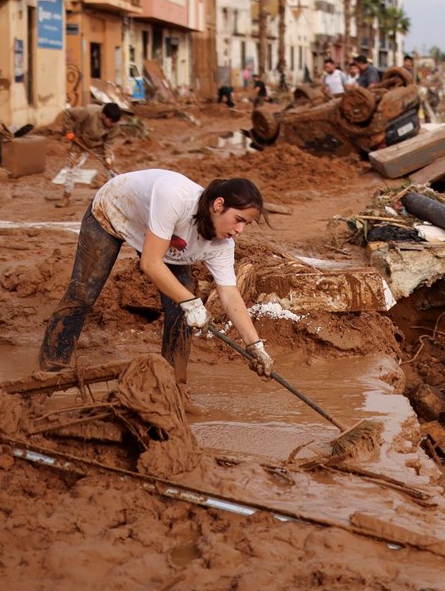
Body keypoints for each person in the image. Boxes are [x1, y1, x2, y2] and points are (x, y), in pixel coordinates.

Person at [38, 170, 275, 385]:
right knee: (83, 294)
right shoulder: (175, 198)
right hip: (113, 211)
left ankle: (174, 388)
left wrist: (255, 347)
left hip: (160, 236)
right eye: (239, 219)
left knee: (181, 309)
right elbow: (150, 263)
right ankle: (49, 374)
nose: (240, 230)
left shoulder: (222, 245)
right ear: (218, 204)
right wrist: (191, 302)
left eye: (247, 224)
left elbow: (229, 294)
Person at [54, 103, 122, 208]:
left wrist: (107, 159)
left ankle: (115, 196)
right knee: (72, 168)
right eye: (111, 121)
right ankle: (66, 196)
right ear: (103, 116)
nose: (113, 124)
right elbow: (68, 113)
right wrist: (68, 131)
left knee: (112, 170)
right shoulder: (89, 111)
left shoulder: (115, 126)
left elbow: (109, 144)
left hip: (99, 144)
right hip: (80, 142)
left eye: (115, 122)